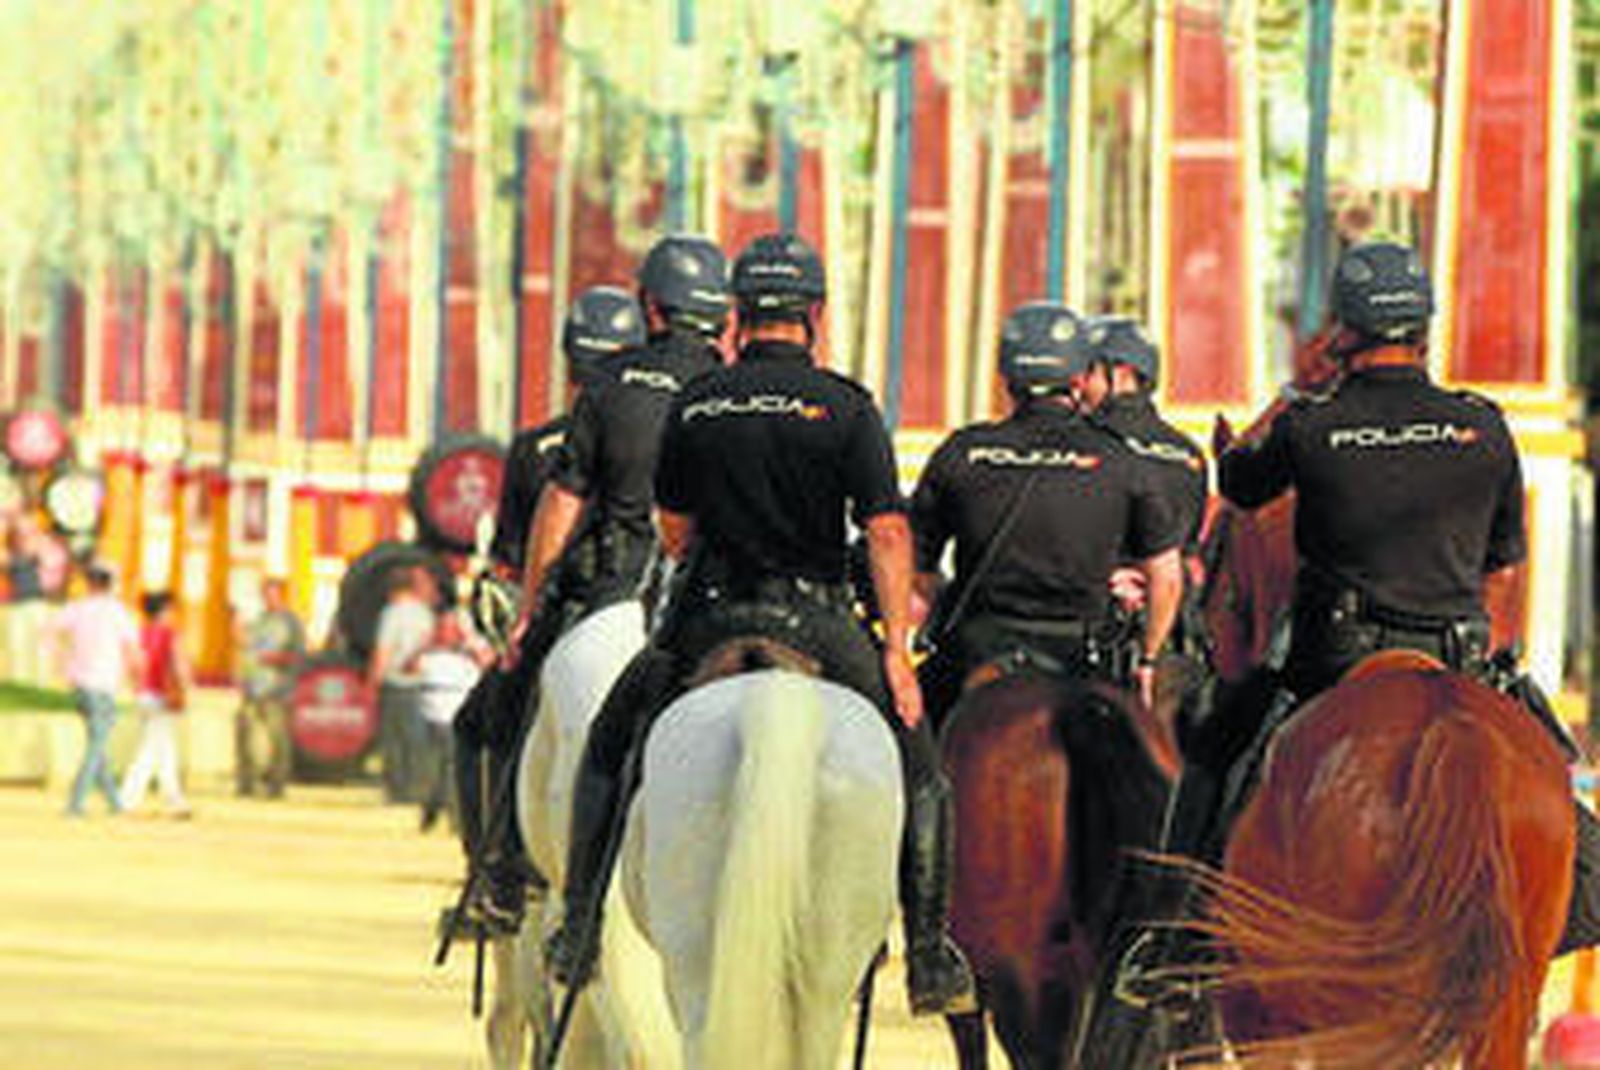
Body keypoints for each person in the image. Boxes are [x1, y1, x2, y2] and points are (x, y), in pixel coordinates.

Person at [1113, 241, 1600, 1004]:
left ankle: (1171, 945)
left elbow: (1238, 481)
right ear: (1425, 328)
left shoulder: (1313, 426)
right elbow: (1504, 565)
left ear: (1344, 332)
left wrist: (1288, 398)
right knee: (1563, 794)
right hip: (1460, 656)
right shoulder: (1483, 426)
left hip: (1333, 659)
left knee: (1216, 761)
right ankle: (1567, 917)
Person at [544, 232, 975, 1017]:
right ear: (814, 314)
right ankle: (932, 955)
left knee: (610, 742)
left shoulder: (698, 401)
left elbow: (672, 528)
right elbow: (886, 532)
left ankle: (575, 929)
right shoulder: (846, 406)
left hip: (710, 617)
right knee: (923, 769)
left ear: (739, 316)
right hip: (817, 621)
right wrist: (898, 654)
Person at [911, 303, 1186, 731]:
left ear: (1006, 377)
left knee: (905, 749)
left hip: (977, 648)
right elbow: (1167, 578)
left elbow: (917, 567)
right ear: (1079, 377)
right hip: (1081, 655)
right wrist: (1148, 658)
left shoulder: (962, 452)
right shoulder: (1121, 460)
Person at [1079, 316, 1212, 681]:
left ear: (1120, 374)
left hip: (1093, 636)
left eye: (1087, 371)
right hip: (1171, 638)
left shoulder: (1082, 444)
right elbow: (1186, 548)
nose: (1078, 385)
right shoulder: (1190, 454)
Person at [51, 564, 141, 817]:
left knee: (97, 744)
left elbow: (51, 631)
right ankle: (76, 802)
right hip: (104, 684)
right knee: (97, 744)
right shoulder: (118, 612)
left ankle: (115, 802)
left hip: (79, 683)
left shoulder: (76, 608)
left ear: (89, 583)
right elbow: (132, 649)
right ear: (110, 585)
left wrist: (62, 662)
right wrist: (137, 680)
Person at [368, 565, 439, 804]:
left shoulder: (392, 613)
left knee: (393, 741)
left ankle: (396, 791)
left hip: (395, 683)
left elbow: (383, 651)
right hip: (420, 683)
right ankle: (418, 788)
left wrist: (373, 681)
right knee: (417, 740)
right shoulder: (424, 613)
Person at [120, 592, 193, 817]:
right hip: (162, 695)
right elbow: (179, 664)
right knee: (151, 749)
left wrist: (135, 686)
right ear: (163, 611)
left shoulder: (139, 633)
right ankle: (126, 797)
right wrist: (185, 687)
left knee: (163, 749)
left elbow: (132, 664)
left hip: (144, 694)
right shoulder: (170, 634)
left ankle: (175, 799)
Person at [415, 611, 489, 832]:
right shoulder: (428, 655)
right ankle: (442, 813)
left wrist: (471, 648)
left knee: (449, 771)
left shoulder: (471, 655)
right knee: (442, 770)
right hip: (434, 717)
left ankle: (444, 814)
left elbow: (488, 667)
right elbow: (409, 668)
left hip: (460, 718)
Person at [235, 577, 306, 798]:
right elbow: (249, 648)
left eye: (271, 595)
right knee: (244, 732)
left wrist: (276, 658)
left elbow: (298, 655)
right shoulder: (259, 620)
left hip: (277, 687)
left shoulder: (291, 623)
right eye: (264, 595)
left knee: (278, 738)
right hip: (253, 685)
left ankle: (277, 784)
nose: (267, 600)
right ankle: (246, 781)